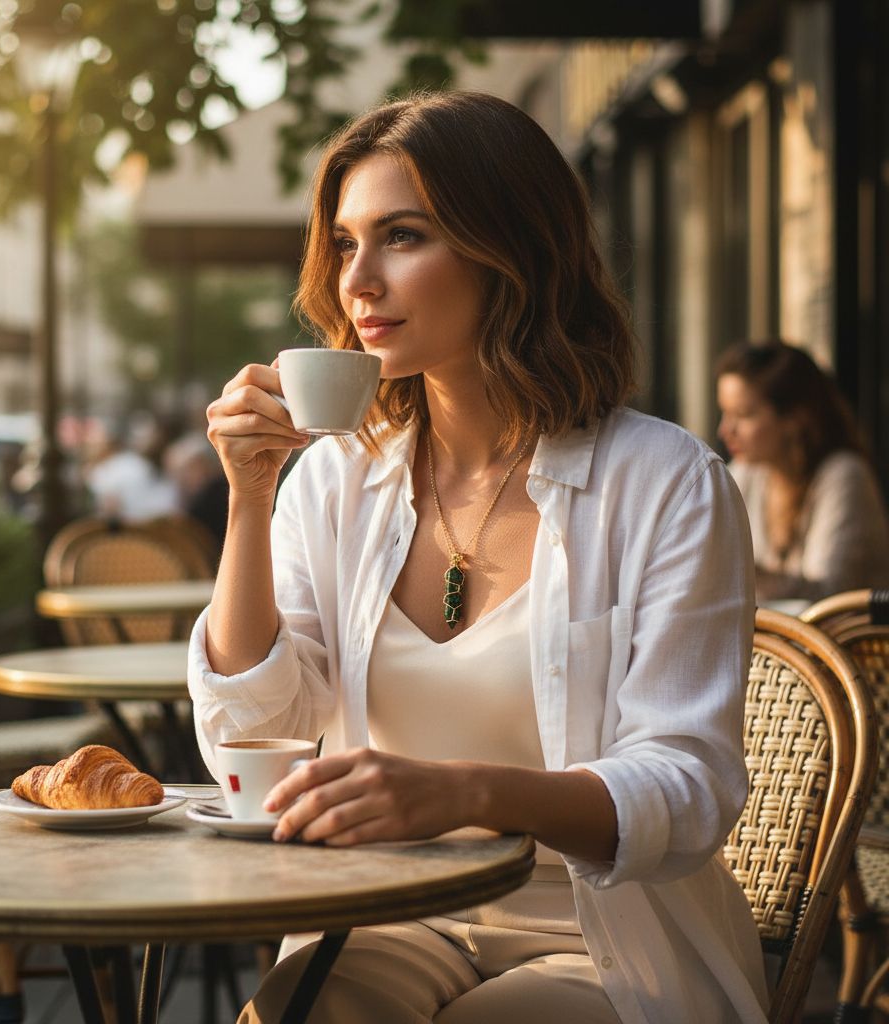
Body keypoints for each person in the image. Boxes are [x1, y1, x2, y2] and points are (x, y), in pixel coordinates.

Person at [191, 91, 767, 1024]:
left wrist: (464, 792)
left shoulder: (665, 481)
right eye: (344, 244)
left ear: (510, 249)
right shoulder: (335, 478)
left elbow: (688, 786)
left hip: (604, 939)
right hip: (382, 917)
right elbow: (251, 732)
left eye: (402, 236)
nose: (358, 282)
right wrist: (248, 501)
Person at [716, 339, 889, 602]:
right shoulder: (746, 473)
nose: (725, 430)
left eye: (743, 414)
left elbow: (827, 597)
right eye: (724, 413)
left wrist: (738, 570)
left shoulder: (844, 476)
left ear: (794, 418)